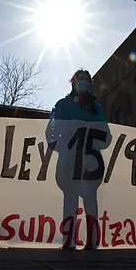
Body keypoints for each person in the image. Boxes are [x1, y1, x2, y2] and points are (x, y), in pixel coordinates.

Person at [47, 69, 108, 250]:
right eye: (79, 80)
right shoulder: (62, 105)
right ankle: (69, 240)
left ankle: (93, 241)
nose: (82, 83)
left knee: (90, 199)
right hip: (69, 162)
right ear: (72, 82)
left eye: (86, 80)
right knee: (70, 198)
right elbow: (51, 130)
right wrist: (61, 148)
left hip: (90, 163)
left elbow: (106, 137)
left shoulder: (96, 108)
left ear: (90, 83)